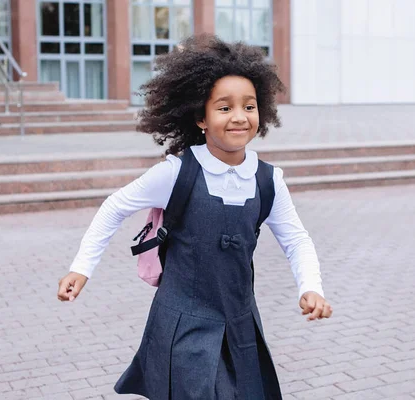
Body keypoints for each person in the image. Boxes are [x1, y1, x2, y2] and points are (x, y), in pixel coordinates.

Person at [57, 34, 332, 399]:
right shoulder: (176, 173)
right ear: (201, 117)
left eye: (249, 107)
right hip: (181, 325)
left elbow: (296, 239)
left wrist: (311, 287)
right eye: (224, 108)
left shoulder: (269, 181)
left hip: (240, 324)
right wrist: (82, 267)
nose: (239, 117)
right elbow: (115, 207)